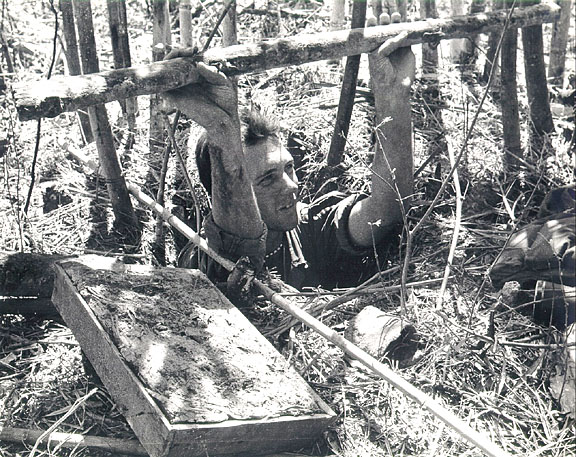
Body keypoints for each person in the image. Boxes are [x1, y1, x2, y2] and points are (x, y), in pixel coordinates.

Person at [163, 44, 416, 290]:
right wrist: (220, 129)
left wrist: (392, 95)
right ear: (221, 195)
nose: (291, 185)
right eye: (267, 179)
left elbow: (387, 209)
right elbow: (240, 250)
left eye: (289, 168)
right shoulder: (203, 260)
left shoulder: (308, 224)